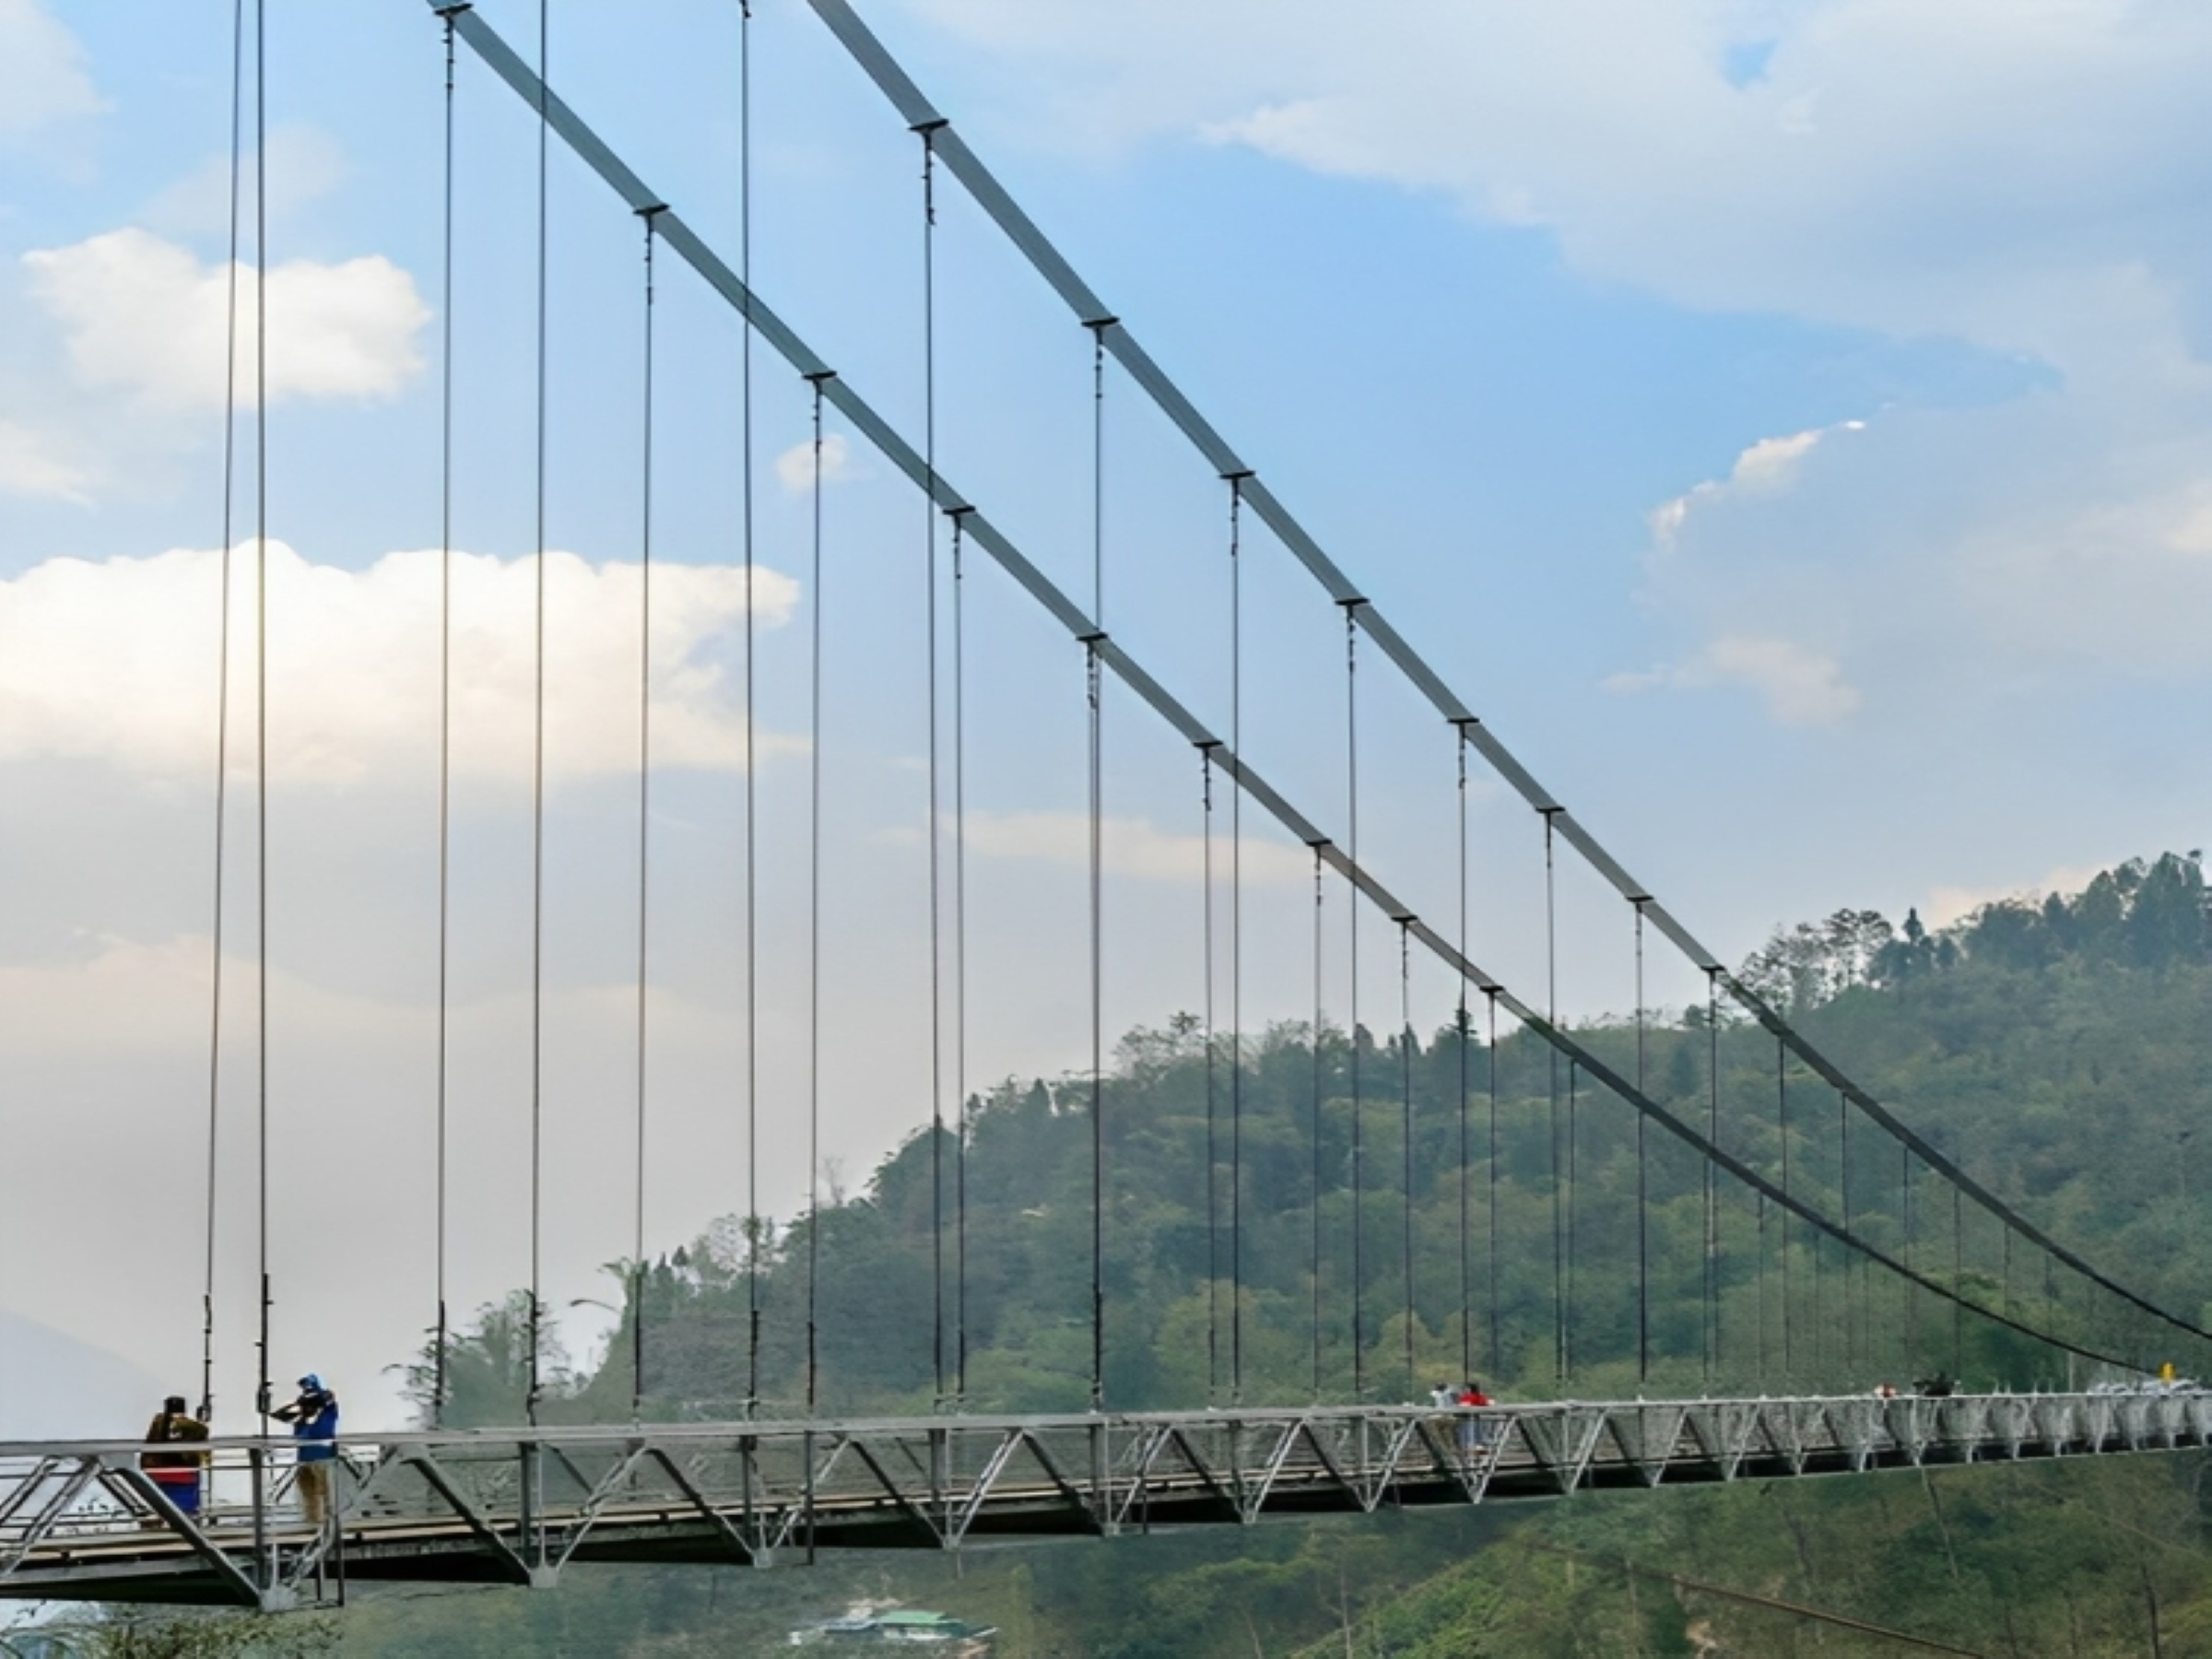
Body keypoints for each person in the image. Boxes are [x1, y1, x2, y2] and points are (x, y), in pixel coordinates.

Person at [269, 1373, 339, 1528]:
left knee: (326, 1496)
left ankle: (329, 1527)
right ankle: (312, 1525)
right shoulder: (301, 1421)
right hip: (304, 1461)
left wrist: (315, 1394)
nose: (307, 1407)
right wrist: (298, 1404)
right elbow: (279, 1415)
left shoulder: (327, 1414)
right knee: (309, 1497)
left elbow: (329, 1397)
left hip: (323, 1459)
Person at [140, 1395, 209, 1518]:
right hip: (185, 1476)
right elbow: (201, 1453)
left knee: (160, 1511)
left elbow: (149, 1449)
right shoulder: (195, 1427)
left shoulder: (158, 1424)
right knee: (186, 1515)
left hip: (158, 1475)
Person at [1455, 1381, 1493, 1457]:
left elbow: (1462, 1405)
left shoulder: (1469, 1397)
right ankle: (1476, 1446)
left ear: (1469, 1389)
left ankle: (1468, 1447)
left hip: (1468, 1419)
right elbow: (1486, 1403)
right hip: (1475, 1418)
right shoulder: (1479, 1396)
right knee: (1476, 1434)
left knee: (1468, 1434)